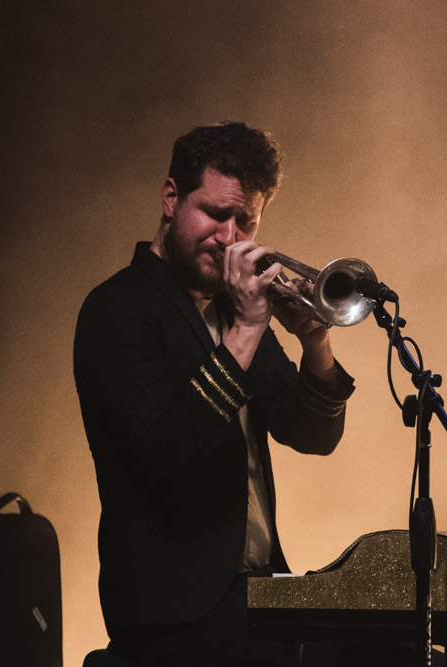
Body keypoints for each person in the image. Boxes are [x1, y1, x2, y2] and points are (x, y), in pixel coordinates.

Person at [74, 121, 355, 666]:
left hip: (255, 595)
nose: (228, 237)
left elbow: (312, 435)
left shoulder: (233, 311)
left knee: (397, 646)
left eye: (245, 221)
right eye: (215, 214)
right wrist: (248, 330)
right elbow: (168, 453)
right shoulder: (119, 309)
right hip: (172, 614)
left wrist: (315, 341)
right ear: (171, 198)